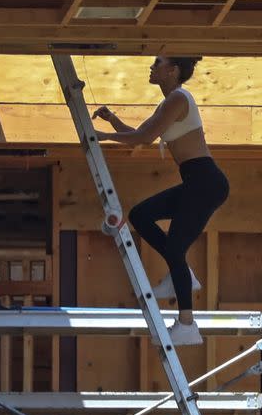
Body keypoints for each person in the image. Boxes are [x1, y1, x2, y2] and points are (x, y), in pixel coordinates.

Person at [92, 54, 229, 346]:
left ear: (173, 70)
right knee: (141, 215)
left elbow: (144, 137)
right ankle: (181, 273)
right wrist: (112, 121)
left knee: (176, 247)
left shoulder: (178, 98)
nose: (152, 68)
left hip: (204, 181)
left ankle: (187, 322)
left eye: (158, 63)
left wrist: (102, 135)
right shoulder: (168, 103)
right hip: (197, 181)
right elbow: (141, 135)